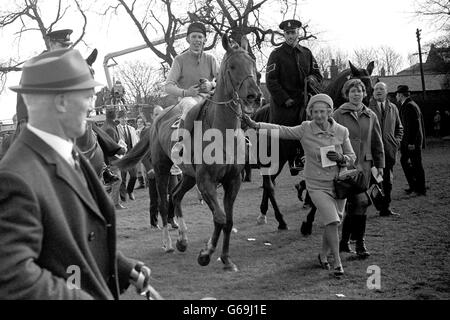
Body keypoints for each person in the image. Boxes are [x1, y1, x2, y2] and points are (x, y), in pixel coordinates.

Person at [0, 49, 152, 299]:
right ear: (61, 101)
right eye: (87, 95)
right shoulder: (15, 179)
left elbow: (75, 238)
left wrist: (123, 268)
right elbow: (13, 277)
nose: (92, 105)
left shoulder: (70, 153)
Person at [243, 93, 356, 276]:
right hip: (317, 185)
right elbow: (282, 129)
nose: (319, 115)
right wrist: (257, 125)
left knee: (333, 222)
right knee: (333, 221)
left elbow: (352, 158)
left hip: (338, 184)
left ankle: (323, 255)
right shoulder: (305, 129)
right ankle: (337, 263)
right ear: (310, 112)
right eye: (315, 112)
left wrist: (342, 158)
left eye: (322, 111)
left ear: (329, 112)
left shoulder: (342, 131)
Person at [333, 79, 385, 258]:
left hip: (365, 166)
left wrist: (380, 167)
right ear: (346, 94)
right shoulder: (337, 115)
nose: (356, 94)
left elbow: (377, 143)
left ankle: (344, 242)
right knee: (361, 202)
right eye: (352, 91)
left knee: (357, 204)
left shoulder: (371, 115)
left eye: (360, 91)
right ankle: (360, 244)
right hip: (345, 167)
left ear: (365, 94)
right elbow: (328, 140)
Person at [265, 19, 323, 174]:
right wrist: (285, 99)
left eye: (293, 32)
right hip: (284, 103)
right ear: (284, 35)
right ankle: (292, 158)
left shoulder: (307, 53)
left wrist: (312, 79)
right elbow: (270, 80)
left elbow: (318, 75)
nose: (291, 35)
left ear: (299, 33)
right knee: (288, 127)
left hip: (304, 100)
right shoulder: (276, 54)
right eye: (288, 33)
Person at [166, 22, 219, 155]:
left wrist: (211, 85)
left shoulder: (211, 59)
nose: (197, 40)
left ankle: (241, 139)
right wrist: (186, 92)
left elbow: (222, 80)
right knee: (191, 105)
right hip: (188, 99)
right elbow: (168, 86)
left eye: (200, 37)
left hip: (209, 99)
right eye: (194, 37)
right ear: (188, 39)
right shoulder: (179, 60)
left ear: (205, 40)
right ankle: (180, 144)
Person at [368, 82, 404, 217]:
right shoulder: (367, 108)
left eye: (381, 89)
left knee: (388, 181)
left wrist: (396, 142)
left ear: (387, 92)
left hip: (389, 152)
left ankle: (385, 208)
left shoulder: (393, 108)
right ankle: (377, 204)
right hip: (373, 153)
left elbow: (399, 127)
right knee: (375, 179)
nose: (378, 91)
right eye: (376, 89)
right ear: (372, 92)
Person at [396, 85, 427, 196]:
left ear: (400, 95)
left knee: (415, 164)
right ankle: (415, 186)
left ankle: (420, 188)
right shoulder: (411, 105)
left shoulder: (409, 106)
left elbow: (413, 126)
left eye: (397, 94)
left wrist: (411, 142)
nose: (396, 96)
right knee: (409, 162)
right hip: (411, 141)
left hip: (411, 142)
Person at [101, 107, 126, 210]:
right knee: (117, 180)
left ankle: (106, 201)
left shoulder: (106, 126)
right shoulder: (109, 128)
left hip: (108, 158)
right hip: (111, 158)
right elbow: (110, 146)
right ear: (114, 116)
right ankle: (115, 204)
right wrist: (121, 152)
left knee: (112, 182)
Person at [117, 110, 139, 201]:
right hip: (122, 156)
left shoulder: (132, 129)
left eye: (125, 117)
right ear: (119, 119)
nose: (124, 119)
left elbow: (136, 142)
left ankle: (130, 191)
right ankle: (123, 197)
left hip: (131, 156)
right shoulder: (116, 129)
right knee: (123, 178)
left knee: (134, 176)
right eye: (122, 118)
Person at [135, 116, 147, 189]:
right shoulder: (135, 131)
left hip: (145, 151)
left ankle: (147, 182)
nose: (139, 123)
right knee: (138, 168)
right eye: (138, 122)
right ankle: (141, 183)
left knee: (145, 167)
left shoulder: (146, 130)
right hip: (137, 151)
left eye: (141, 122)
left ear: (143, 123)